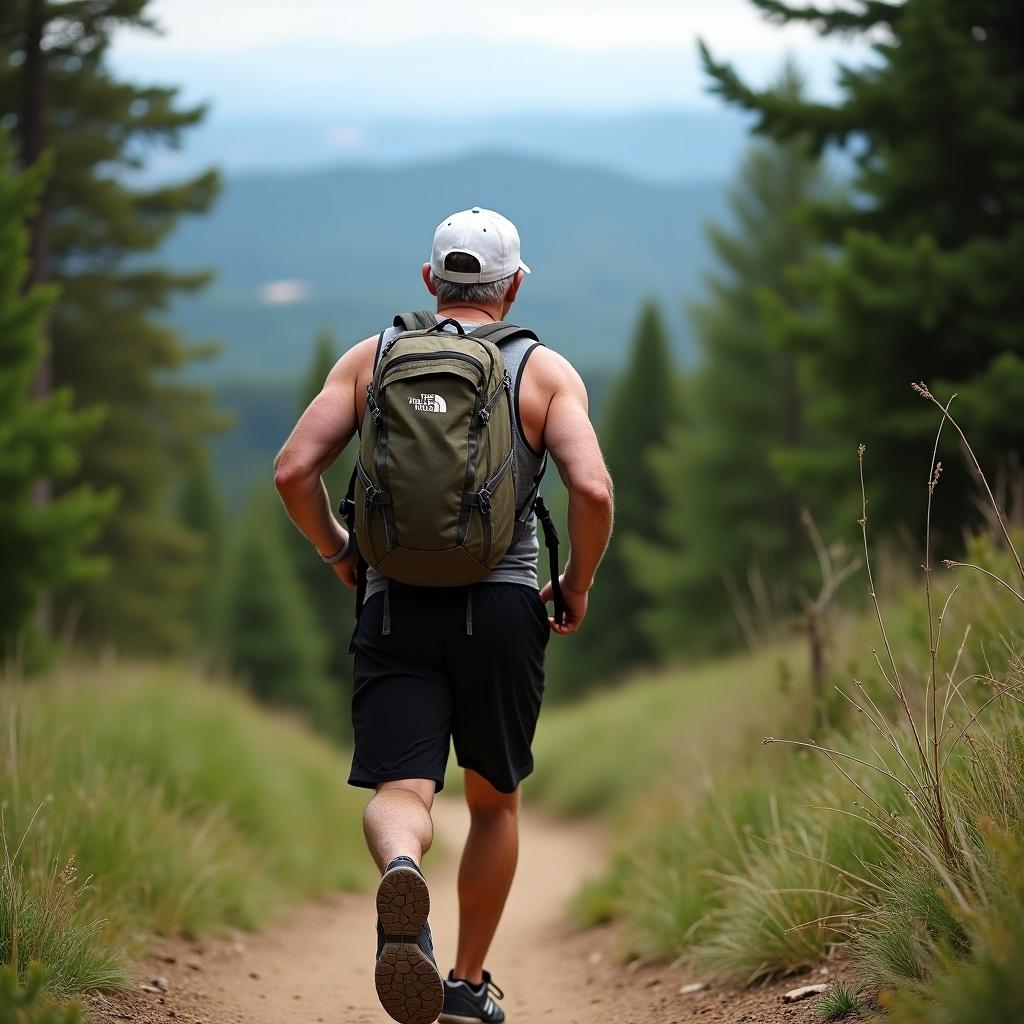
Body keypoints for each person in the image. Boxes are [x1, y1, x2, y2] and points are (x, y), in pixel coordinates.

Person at [274, 207, 614, 1024]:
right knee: (493, 799)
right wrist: (577, 581)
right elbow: (594, 491)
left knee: (405, 788)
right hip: (502, 608)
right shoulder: (544, 371)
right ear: (516, 283)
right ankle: (464, 982)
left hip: (395, 608)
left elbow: (293, 471)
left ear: (431, 280)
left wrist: (338, 549)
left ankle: (402, 865)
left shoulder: (371, 359)